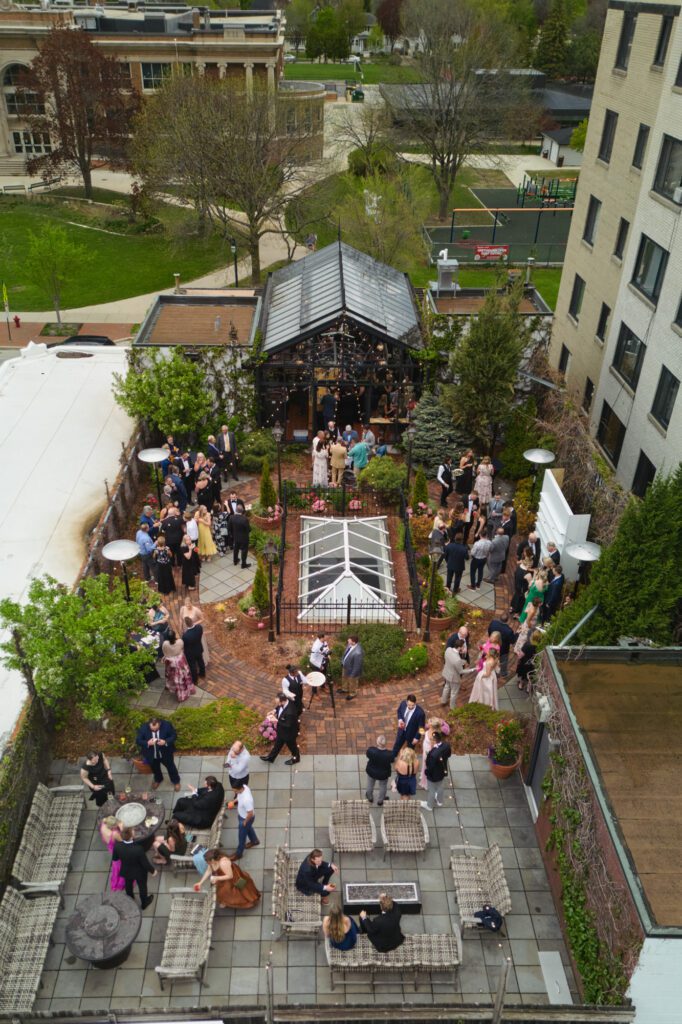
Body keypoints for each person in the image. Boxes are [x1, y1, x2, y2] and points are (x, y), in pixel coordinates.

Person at [195, 846, 261, 908]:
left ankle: (245, 901)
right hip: (222, 878)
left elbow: (230, 876)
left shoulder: (223, 863)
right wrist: (200, 882)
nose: (206, 863)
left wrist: (216, 878)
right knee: (222, 892)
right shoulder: (212, 863)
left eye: (207, 861)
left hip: (234, 878)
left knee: (238, 890)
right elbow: (208, 871)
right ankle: (225, 901)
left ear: (212, 860)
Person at [112, 827, 156, 909]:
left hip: (126, 870)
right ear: (131, 837)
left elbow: (115, 858)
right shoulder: (138, 849)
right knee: (142, 887)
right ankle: (144, 903)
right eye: (133, 832)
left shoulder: (117, 846)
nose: (134, 832)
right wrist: (153, 871)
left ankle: (130, 899)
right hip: (139, 872)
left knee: (128, 885)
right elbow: (145, 863)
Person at [136, 716, 181, 790]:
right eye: (152, 730)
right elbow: (138, 740)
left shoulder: (167, 725)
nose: (154, 731)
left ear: (159, 724)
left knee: (171, 767)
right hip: (151, 753)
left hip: (165, 752)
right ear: (149, 725)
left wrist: (165, 742)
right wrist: (147, 743)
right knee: (155, 768)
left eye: (156, 729)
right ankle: (158, 779)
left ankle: (176, 781)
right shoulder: (143, 728)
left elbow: (174, 736)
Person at [260, 694, 300, 765]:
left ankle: (296, 758)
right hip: (282, 731)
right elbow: (279, 707)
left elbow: (288, 725)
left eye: (278, 703)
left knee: (292, 747)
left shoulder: (290, 712)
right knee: (277, 745)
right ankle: (271, 757)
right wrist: (274, 711)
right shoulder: (285, 701)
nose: (277, 704)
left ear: (283, 701)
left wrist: (276, 721)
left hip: (289, 733)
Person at [161, 630, 196, 702]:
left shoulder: (165, 644)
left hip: (171, 663)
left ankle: (172, 687)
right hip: (180, 662)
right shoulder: (180, 641)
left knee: (172, 677)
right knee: (184, 677)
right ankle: (186, 691)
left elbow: (165, 653)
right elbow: (182, 648)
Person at [229, 782, 259, 861]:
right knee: (248, 829)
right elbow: (239, 797)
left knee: (241, 837)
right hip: (242, 816)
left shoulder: (247, 800)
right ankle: (254, 841)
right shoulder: (244, 787)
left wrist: (245, 822)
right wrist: (234, 801)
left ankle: (239, 854)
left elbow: (250, 813)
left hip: (245, 818)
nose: (234, 792)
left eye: (235, 791)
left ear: (240, 788)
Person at [422, 730, 451, 811]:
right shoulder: (446, 745)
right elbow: (448, 755)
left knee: (432, 790)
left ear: (434, 741)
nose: (429, 740)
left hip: (433, 775)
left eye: (431, 739)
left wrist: (426, 772)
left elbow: (429, 766)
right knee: (440, 787)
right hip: (442, 772)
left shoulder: (432, 754)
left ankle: (429, 806)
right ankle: (440, 801)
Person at [391, 694, 426, 759]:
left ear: (415, 703)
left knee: (410, 751)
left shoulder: (420, 713)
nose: (411, 707)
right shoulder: (403, 704)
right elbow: (399, 712)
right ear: (406, 702)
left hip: (412, 735)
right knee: (397, 745)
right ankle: (392, 757)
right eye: (409, 705)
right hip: (401, 731)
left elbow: (421, 727)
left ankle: (407, 763)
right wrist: (400, 720)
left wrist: (417, 738)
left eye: (413, 705)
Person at [99, 815, 126, 891]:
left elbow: (105, 818)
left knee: (116, 865)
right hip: (118, 850)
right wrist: (121, 828)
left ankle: (115, 881)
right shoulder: (114, 834)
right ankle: (120, 883)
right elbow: (123, 841)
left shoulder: (104, 823)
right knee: (120, 865)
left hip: (111, 848)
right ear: (113, 827)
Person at [365, 735, 393, 806]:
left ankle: (370, 797)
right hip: (383, 774)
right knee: (383, 786)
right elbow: (392, 760)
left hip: (372, 771)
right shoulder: (389, 754)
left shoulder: (371, 751)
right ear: (385, 744)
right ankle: (381, 800)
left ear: (377, 742)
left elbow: (367, 754)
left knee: (370, 784)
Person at [441, 637, 467, 710]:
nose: (464, 647)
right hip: (454, 677)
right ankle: (452, 707)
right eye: (463, 646)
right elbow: (461, 671)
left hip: (447, 673)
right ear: (460, 647)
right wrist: (472, 669)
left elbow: (450, 660)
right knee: (454, 692)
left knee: (446, 686)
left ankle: (443, 700)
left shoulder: (448, 649)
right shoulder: (457, 659)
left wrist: (462, 661)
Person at [488, 614, 517, 678]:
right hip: (503, 649)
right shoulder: (508, 631)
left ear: (499, 618)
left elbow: (489, 631)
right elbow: (513, 641)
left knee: (492, 658)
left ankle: (493, 671)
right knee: (503, 661)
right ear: (507, 621)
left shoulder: (493, 623)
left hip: (492, 646)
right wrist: (517, 634)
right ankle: (503, 673)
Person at [182, 615, 206, 684]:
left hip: (190, 653)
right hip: (199, 648)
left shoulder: (185, 635)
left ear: (186, 625)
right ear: (192, 621)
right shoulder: (199, 627)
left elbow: (185, 645)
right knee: (201, 661)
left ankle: (195, 680)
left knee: (193, 666)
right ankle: (202, 673)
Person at [340, 635, 363, 701]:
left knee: (352, 682)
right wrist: (342, 661)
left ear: (353, 642)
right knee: (344, 678)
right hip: (345, 667)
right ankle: (345, 689)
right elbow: (345, 654)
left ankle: (352, 693)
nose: (348, 640)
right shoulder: (349, 645)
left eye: (349, 640)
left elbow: (357, 666)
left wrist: (353, 675)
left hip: (352, 670)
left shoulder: (358, 652)